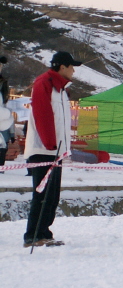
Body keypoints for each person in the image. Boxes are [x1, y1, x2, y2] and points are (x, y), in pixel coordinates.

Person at [22, 51, 82, 248]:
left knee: (52, 196)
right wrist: (50, 143)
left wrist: (62, 148)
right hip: (44, 150)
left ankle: (44, 232)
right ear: (62, 67)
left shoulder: (62, 89)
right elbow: (42, 114)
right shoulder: (44, 83)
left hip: (57, 152)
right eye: (72, 66)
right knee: (42, 194)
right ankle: (33, 235)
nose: (74, 70)